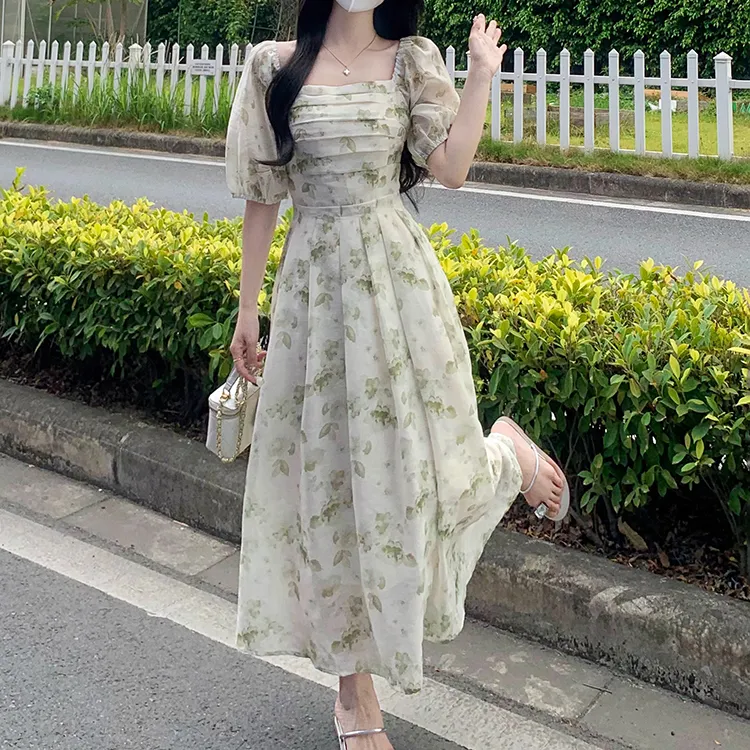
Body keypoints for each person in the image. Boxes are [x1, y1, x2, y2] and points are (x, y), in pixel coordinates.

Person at [225, 1, 569, 747]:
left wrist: (481, 75)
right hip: (316, 300)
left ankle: (503, 456)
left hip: (399, 293)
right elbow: (261, 194)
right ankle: (355, 695)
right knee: (332, 488)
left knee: (421, 476)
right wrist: (249, 309)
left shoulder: (412, 60)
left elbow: (450, 169)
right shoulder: (273, 68)